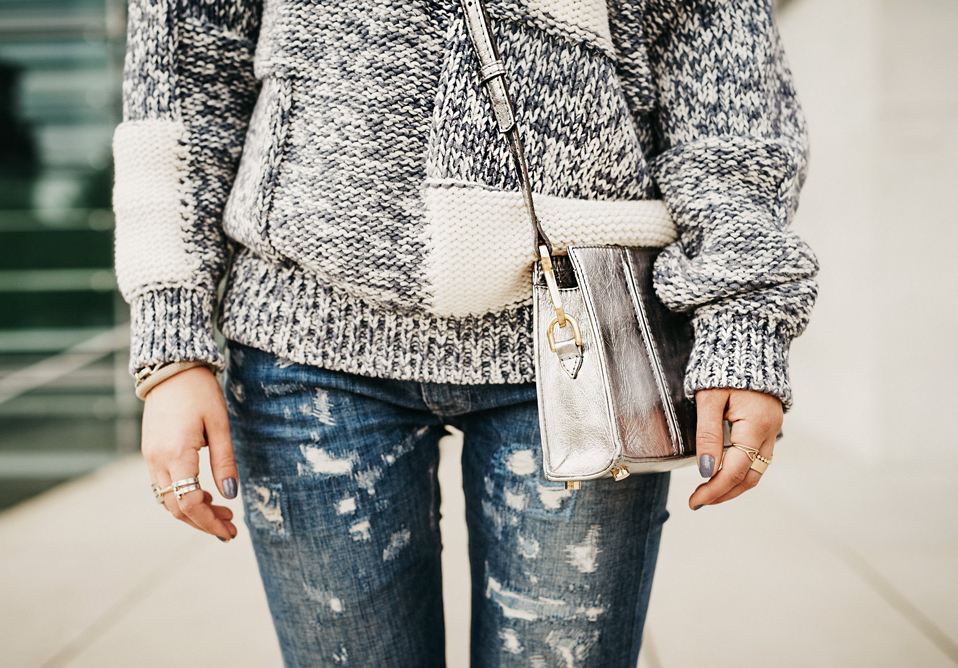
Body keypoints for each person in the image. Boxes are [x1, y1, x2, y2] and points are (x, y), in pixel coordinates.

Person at [113, 0, 818, 665]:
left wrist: (744, 316)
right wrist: (173, 342)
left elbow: (725, 87)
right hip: (305, 334)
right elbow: (184, 77)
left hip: (585, 339)